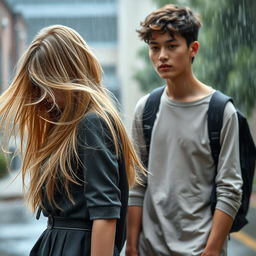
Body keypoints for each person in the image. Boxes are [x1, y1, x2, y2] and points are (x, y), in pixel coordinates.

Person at [0, 25, 145, 256]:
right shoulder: (69, 126)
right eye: (36, 87)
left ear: (68, 75)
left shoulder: (92, 123)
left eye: (46, 84)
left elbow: (105, 216)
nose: (40, 96)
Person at [126, 4, 242, 256]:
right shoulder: (146, 108)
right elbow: (137, 185)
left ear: (193, 49)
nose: (162, 56)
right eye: (154, 48)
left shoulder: (221, 111)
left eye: (171, 46)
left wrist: (211, 251)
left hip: (200, 249)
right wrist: (132, 247)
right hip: (149, 250)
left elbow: (230, 189)